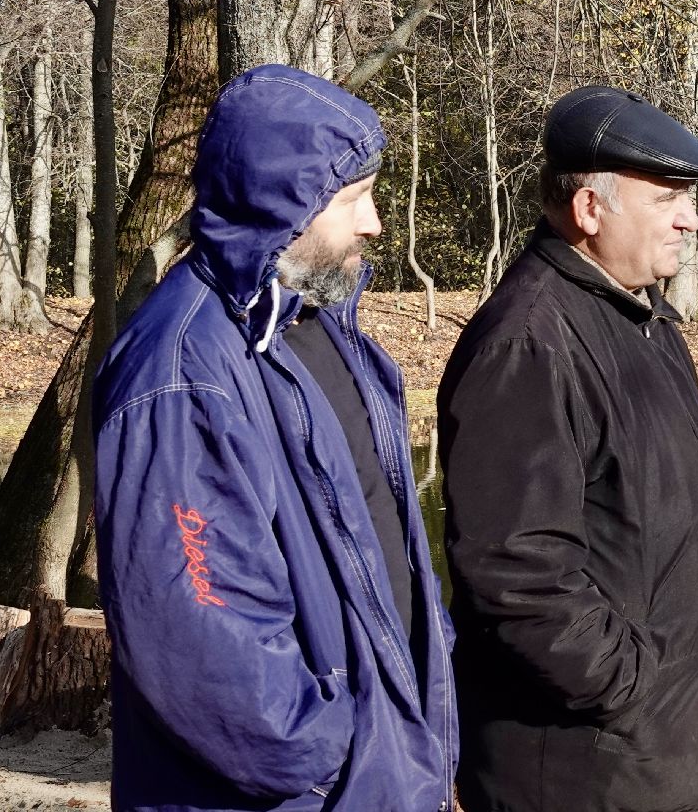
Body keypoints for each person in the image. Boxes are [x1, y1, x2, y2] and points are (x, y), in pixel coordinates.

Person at [94, 65, 456, 811]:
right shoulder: (181, 371)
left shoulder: (315, 325)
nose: (373, 222)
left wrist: (420, 727)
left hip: (379, 769)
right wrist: (331, 762)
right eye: (353, 198)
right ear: (282, 201)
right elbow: (200, 641)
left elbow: (385, 549)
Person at [439, 85, 698, 812]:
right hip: (583, 771)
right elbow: (516, 574)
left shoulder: (641, 320)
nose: (690, 218)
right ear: (589, 209)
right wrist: (633, 688)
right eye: (667, 197)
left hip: (660, 750)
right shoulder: (530, 344)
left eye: (688, 198)